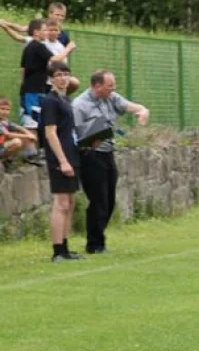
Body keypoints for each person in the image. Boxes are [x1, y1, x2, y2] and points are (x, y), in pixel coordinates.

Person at [72, 69, 150, 254]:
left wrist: (142, 110)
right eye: (109, 86)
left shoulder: (111, 97)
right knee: (98, 200)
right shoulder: (79, 105)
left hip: (108, 153)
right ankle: (95, 244)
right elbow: (77, 136)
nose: (113, 89)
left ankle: (98, 238)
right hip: (89, 155)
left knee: (109, 200)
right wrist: (96, 137)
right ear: (97, 86)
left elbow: (130, 106)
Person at [41, 61, 83, 262]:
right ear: (51, 78)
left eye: (66, 73)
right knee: (61, 202)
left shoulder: (65, 99)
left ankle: (66, 247)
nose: (63, 78)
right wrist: (62, 160)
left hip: (71, 152)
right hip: (60, 155)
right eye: (58, 74)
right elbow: (50, 133)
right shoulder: (50, 101)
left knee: (71, 201)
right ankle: (57, 250)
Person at [19, 19, 67, 129]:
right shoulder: (39, 46)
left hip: (29, 89)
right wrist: (67, 49)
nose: (47, 32)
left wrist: (24, 86)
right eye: (44, 30)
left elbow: (23, 69)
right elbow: (54, 60)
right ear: (36, 32)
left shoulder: (28, 47)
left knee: (34, 119)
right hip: (34, 90)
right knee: (32, 123)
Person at [0, 96, 39, 166]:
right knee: (17, 142)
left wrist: (28, 133)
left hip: (1, 145)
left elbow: (18, 127)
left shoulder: (5, 121)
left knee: (19, 134)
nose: (5, 112)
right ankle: (4, 160)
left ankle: (9, 160)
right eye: (2, 109)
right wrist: (27, 136)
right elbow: (7, 134)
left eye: (7, 110)